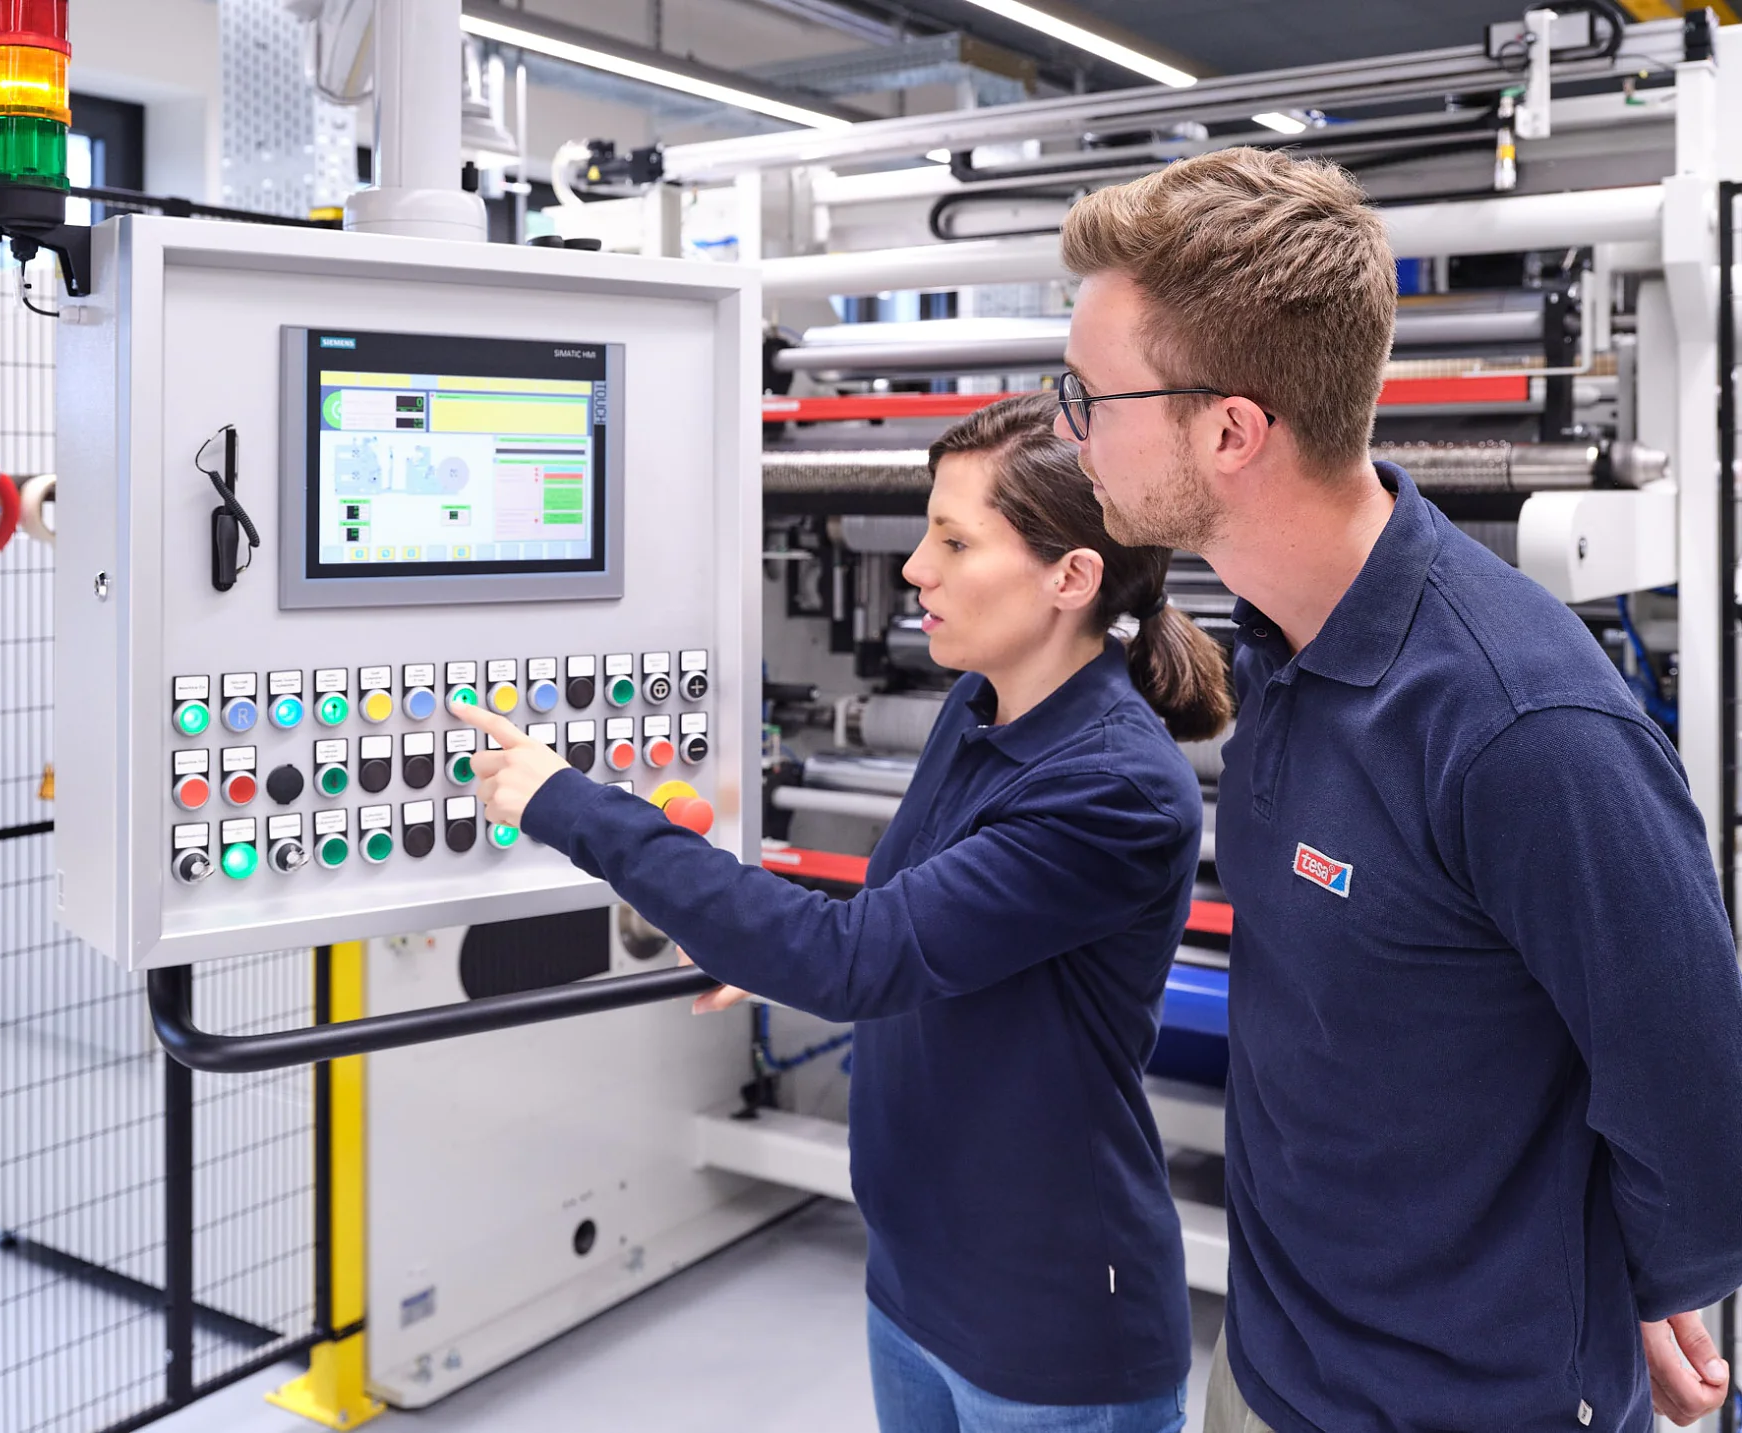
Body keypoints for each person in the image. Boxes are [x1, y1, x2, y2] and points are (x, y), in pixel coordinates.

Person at [1055, 145, 1742, 1433]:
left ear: (1230, 430)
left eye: (1087, 394)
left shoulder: (1522, 727)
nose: (1066, 428)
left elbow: (1699, 1115)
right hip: (1267, 1362)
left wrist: (1617, 1291)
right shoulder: (1282, 647)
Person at [451, 392, 1231, 1433]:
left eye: (955, 540)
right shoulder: (982, 702)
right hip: (914, 1270)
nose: (914, 567)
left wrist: (563, 801)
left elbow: (852, 958)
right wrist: (762, 945)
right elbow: (906, 915)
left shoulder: (1115, 787)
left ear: (1070, 578)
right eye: (926, 530)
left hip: (1050, 1330)